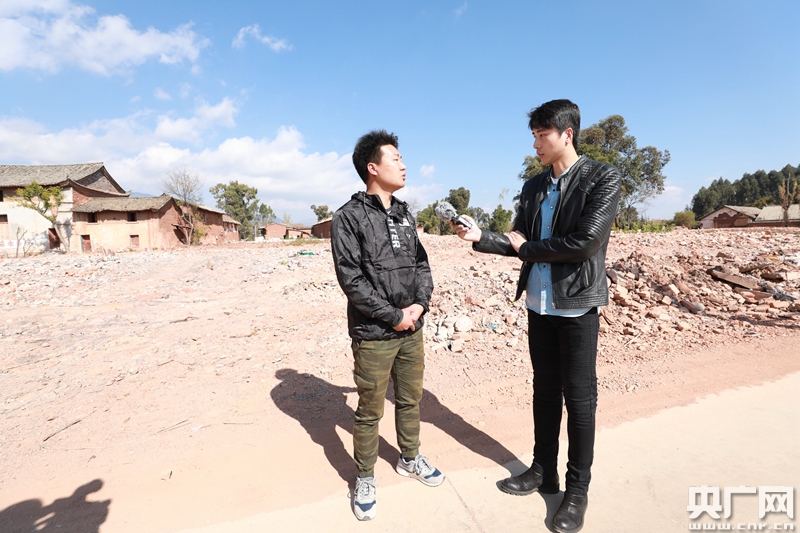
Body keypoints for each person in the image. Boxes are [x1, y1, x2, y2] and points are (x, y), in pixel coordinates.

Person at [454, 99, 620, 533]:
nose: (535, 144)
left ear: (567, 134)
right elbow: (518, 237)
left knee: (579, 400)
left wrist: (525, 247)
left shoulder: (602, 177)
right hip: (538, 304)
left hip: (577, 304)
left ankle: (577, 490)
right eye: (533, 136)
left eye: (542, 135)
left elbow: (585, 242)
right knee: (544, 392)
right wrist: (480, 236)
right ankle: (542, 470)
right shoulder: (533, 187)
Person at [331, 129, 445, 521]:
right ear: (373, 168)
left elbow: (422, 264)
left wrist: (419, 305)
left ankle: (409, 458)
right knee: (369, 410)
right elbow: (352, 280)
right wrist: (393, 316)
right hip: (374, 334)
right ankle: (365, 477)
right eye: (396, 159)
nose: (404, 165)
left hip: (412, 329)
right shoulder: (348, 218)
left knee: (411, 399)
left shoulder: (404, 214)